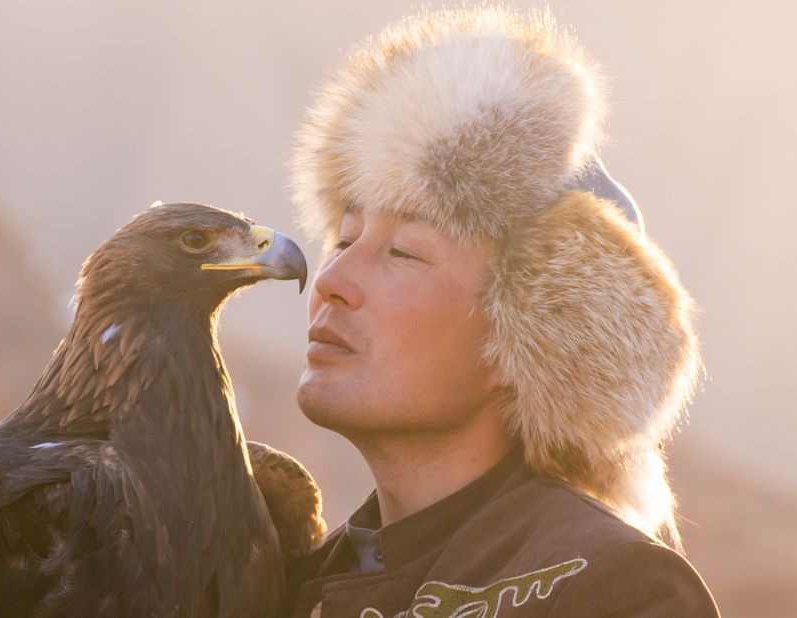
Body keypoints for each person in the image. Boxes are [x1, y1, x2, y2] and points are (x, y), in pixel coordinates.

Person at [283, 6, 719, 617]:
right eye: (345, 239)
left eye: (404, 252)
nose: (331, 280)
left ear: (529, 338)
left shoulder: (610, 588)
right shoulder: (281, 584)